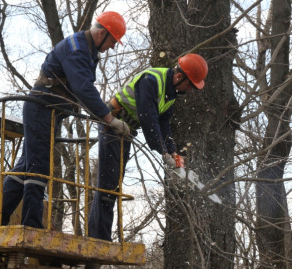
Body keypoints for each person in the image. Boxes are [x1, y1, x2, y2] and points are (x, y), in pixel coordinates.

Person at [0, 11, 130, 228]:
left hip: (50, 111)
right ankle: (31, 224)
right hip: (42, 108)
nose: (113, 47)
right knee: (38, 167)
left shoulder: (86, 49)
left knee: (26, 165)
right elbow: (84, 89)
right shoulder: (78, 50)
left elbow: (82, 88)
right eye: (113, 41)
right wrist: (110, 119)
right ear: (101, 33)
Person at [88, 53, 208, 241]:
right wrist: (163, 151)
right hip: (113, 124)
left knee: (113, 183)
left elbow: (164, 123)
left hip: (126, 131)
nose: (189, 90)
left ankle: (99, 236)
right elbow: (148, 119)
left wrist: (173, 151)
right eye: (190, 85)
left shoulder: (171, 93)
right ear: (179, 77)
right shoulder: (151, 80)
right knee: (108, 185)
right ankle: (99, 238)